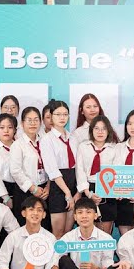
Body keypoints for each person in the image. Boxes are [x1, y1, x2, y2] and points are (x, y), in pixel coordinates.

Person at [50, 198, 121, 269]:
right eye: (80, 212)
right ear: (75, 217)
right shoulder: (68, 237)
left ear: (95, 215)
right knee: (63, 260)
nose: (84, 216)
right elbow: (55, 265)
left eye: (88, 212)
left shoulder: (106, 238)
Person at [73, 114, 120, 232]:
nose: (100, 132)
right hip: (88, 188)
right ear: (91, 130)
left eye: (104, 129)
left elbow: (116, 172)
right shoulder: (83, 146)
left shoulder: (114, 148)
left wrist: (105, 192)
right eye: (97, 128)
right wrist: (88, 193)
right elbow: (80, 170)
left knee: (105, 231)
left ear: (108, 131)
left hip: (108, 191)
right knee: (87, 230)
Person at [40, 100, 78, 237]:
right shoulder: (47, 140)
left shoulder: (73, 138)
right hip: (58, 186)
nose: (62, 117)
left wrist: (77, 192)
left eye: (65, 114)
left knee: (68, 233)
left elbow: (78, 166)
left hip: (73, 183)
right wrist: (67, 193)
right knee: (58, 233)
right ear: (51, 116)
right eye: (58, 114)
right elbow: (52, 170)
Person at [10, 106, 51, 230]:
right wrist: (33, 188)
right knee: (25, 227)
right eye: (29, 120)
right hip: (25, 192)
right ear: (22, 123)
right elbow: (15, 171)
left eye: (36, 120)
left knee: (44, 227)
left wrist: (48, 186)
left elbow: (52, 166)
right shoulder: (18, 145)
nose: (33, 123)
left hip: (44, 191)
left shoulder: (45, 141)